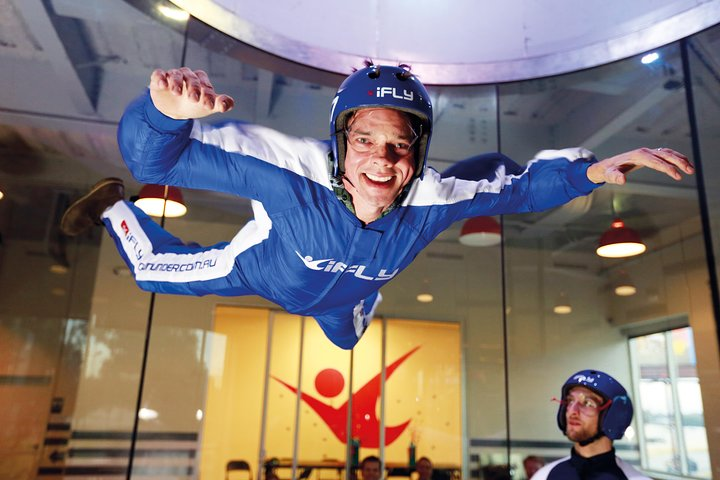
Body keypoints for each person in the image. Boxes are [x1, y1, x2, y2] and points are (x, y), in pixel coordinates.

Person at [60, 64, 694, 350]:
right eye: (365, 140)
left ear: (419, 150)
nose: (382, 161)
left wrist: (589, 172)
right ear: (341, 141)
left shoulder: (433, 194)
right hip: (260, 270)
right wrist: (164, 114)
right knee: (150, 273)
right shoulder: (291, 168)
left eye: (399, 144)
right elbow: (157, 161)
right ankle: (115, 210)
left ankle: (361, 302)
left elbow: (523, 187)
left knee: (346, 345)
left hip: (347, 302)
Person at [530, 369, 651, 479]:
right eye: (570, 401)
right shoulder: (544, 475)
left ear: (613, 416)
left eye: (587, 403)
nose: (572, 411)